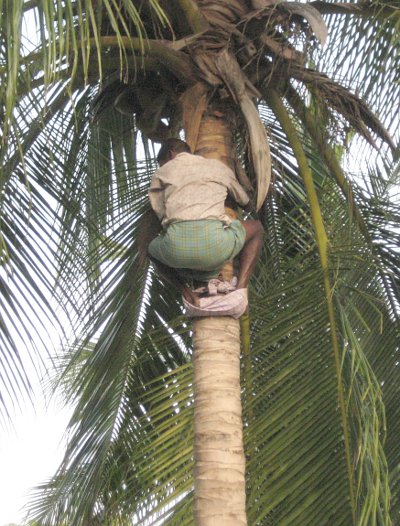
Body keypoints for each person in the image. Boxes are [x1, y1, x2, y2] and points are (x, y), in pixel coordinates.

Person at [145, 138, 263, 316]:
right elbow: (244, 201)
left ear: (170, 155)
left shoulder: (163, 172)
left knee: (149, 250)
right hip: (216, 248)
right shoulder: (218, 168)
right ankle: (240, 291)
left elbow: (160, 212)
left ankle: (187, 292)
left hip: (176, 251)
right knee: (257, 228)